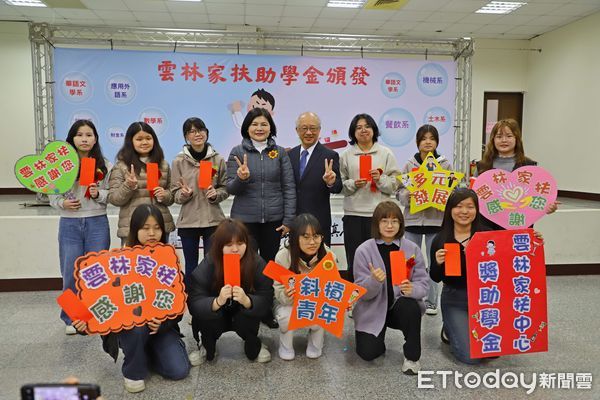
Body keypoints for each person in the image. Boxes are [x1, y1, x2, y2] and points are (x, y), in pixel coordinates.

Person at [72, 204, 190, 393]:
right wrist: (83, 324)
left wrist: (163, 323)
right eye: (145, 228)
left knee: (178, 370)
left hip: (159, 329)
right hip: (131, 330)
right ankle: (133, 370)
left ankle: (147, 353)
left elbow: (176, 307)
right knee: (134, 327)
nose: (152, 233)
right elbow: (99, 300)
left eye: (157, 227)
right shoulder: (118, 262)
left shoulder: (168, 260)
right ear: (135, 230)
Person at [50, 120, 111, 335]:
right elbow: (52, 193)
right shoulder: (61, 164)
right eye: (79, 135)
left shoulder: (103, 163)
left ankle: (97, 315)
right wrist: (62, 203)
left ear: (95, 138)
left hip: (97, 220)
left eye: (89, 135)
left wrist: (98, 194)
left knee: (97, 272)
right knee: (70, 271)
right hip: (69, 222)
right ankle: (71, 318)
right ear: (72, 138)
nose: (84, 139)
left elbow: (109, 195)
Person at [352, 201, 428, 374]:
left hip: (399, 307)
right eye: (384, 220)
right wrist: (373, 281)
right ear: (376, 223)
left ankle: (412, 358)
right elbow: (360, 293)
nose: (389, 225)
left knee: (411, 306)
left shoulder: (412, 248)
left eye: (395, 221)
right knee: (368, 353)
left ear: (401, 224)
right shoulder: (363, 250)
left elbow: (423, 284)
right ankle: (377, 339)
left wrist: (412, 289)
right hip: (372, 309)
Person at [187, 219, 274, 365]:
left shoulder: (256, 262)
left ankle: (254, 343)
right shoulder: (209, 263)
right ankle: (207, 346)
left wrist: (248, 301)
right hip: (217, 315)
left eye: (240, 243)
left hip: (243, 315)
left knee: (249, 314)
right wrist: (216, 302)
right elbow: (194, 300)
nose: (235, 249)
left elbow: (266, 296)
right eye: (228, 245)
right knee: (206, 316)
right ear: (219, 246)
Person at [226, 107, 296, 264]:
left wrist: (288, 220)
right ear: (246, 127)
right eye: (254, 124)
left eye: (264, 124)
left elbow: (289, 187)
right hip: (244, 221)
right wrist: (241, 178)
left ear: (270, 127)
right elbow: (230, 188)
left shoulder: (280, 153)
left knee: (270, 263)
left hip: (274, 221)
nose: (259, 128)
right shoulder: (237, 152)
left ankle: (268, 290)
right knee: (246, 263)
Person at [396, 124, 451, 316]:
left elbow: (451, 192)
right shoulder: (410, 165)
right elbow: (399, 192)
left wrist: (439, 198)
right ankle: (405, 293)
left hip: (436, 221)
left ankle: (431, 301)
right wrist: (409, 198)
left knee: (435, 262)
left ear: (437, 142)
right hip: (412, 220)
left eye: (432, 138)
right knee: (408, 261)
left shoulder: (444, 165)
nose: (428, 142)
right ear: (417, 142)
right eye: (424, 138)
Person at [429, 188, 487, 364]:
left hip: (486, 298)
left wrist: (533, 239)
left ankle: (459, 327)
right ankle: (449, 327)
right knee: (471, 357)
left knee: (492, 351)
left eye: (470, 207)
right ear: (450, 210)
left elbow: (510, 255)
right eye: (458, 206)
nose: (464, 211)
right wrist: (438, 263)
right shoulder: (440, 239)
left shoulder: (487, 235)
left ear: (477, 210)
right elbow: (435, 277)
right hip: (455, 298)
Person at [340, 113, 400, 280]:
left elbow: (395, 183)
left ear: (374, 130)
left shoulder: (385, 153)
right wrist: (353, 184)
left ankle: (382, 298)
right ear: (353, 133)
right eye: (358, 128)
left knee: (380, 259)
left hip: (378, 215)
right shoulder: (346, 155)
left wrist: (380, 180)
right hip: (353, 214)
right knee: (354, 259)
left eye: (367, 126)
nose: (363, 130)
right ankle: (356, 298)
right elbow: (340, 185)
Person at [171, 117, 228, 288]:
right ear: (186, 136)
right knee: (191, 267)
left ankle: (210, 304)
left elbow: (225, 188)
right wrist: (184, 194)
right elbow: (174, 193)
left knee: (212, 265)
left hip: (213, 220)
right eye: (192, 131)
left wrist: (215, 194)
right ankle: (193, 304)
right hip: (188, 221)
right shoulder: (178, 161)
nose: (198, 134)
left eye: (201, 130)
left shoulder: (218, 159)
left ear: (207, 133)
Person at [475, 119, 558, 229]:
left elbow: (535, 197)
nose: (504, 140)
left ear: (517, 139)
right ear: (493, 140)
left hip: (520, 225)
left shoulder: (530, 167)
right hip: (486, 225)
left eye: (509, 136)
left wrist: (548, 207)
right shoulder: (482, 167)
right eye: (499, 137)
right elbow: (473, 198)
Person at [273, 213, 333, 360]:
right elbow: (278, 290)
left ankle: (316, 343)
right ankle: (286, 345)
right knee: (286, 316)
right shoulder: (282, 257)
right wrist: (287, 295)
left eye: (316, 236)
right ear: (295, 238)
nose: (312, 242)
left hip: (316, 302)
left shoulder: (328, 256)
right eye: (306, 237)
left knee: (322, 313)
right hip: (289, 303)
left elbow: (334, 289)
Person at [109, 122, 174, 244]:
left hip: (160, 226)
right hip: (132, 228)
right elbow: (114, 199)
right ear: (130, 142)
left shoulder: (163, 164)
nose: (144, 142)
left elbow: (171, 196)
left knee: (160, 262)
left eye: (148, 138)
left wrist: (164, 195)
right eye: (139, 139)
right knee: (134, 263)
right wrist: (128, 186)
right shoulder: (121, 166)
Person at [288, 112, 342, 246]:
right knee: (295, 261)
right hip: (294, 220)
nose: (308, 132)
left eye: (313, 128)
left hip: (319, 221)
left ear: (319, 130)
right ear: (297, 130)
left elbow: (338, 187)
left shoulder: (330, 155)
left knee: (320, 262)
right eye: (304, 128)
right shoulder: (289, 155)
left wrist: (331, 182)